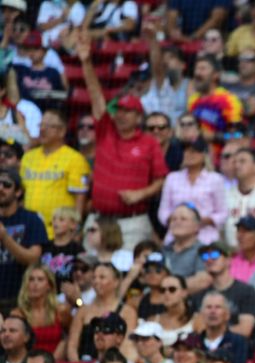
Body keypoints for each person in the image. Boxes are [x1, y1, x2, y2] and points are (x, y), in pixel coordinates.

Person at [76, 30, 167, 250]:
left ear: (138, 117)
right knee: (89, 274)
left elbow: (161, 179)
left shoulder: (149, 142)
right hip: (98, 220)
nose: (121, 114)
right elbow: (96, 96)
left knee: (126, 272)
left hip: (133, 222)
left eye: (128, 111)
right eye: (119, 110)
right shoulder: (106, 131)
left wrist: (140, 194)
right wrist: (86, 62)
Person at [20, 108, 89, 238]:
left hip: (58, 234)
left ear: (62, 131)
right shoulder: (28, 157)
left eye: (49, 126)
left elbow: (80, 198)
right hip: (28, 230)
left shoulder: (74, 158)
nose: (42, 129)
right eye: (41, 125)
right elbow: (22, 193)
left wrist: (76, 229)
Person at [157, 138, 227, 245]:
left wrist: (202, 220)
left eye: (194, 151)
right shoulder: (172, 178)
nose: (190, 154)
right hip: (176, 236)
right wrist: (179, 220)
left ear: (204, 155)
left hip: (206, 237)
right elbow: (163, 212)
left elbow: (223, 212)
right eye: (187, 151)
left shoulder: (215, 179)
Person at [0, 167, 47, 314]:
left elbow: (33, 258)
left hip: (20, 299)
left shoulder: (31, 220)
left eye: (7, 185)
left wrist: (5, 238)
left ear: (18, 192)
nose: (0, 188)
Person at [13, 264, 65, 356]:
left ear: (49, 285)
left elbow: (68, 337)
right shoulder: (18, 314)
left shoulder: (61, 311)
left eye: (40, 279)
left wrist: (53, 361)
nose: (35, 284)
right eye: (31, 279)